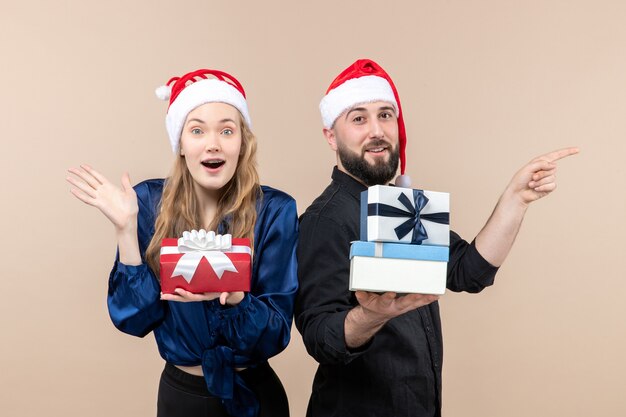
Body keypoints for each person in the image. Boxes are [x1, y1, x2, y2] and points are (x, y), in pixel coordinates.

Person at [295, 58, 578, 417]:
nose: (377, 130)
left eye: (385, 115)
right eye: (358, 118)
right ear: (331, 136)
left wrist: (515, 199)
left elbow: (468, 271)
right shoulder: (325, 221)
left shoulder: (403, 206)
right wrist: (370, 316)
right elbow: (320, 338)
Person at [67, 68, 298, 417]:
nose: (213, 143)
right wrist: (126, 231)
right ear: (181, 144)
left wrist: (236, 299)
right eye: (197, 130)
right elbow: (135, 320)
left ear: (241, 142)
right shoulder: (146, 202)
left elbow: (276, 333)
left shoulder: (275, 210)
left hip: (255, 396)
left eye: (226, 130)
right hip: (182, 399)